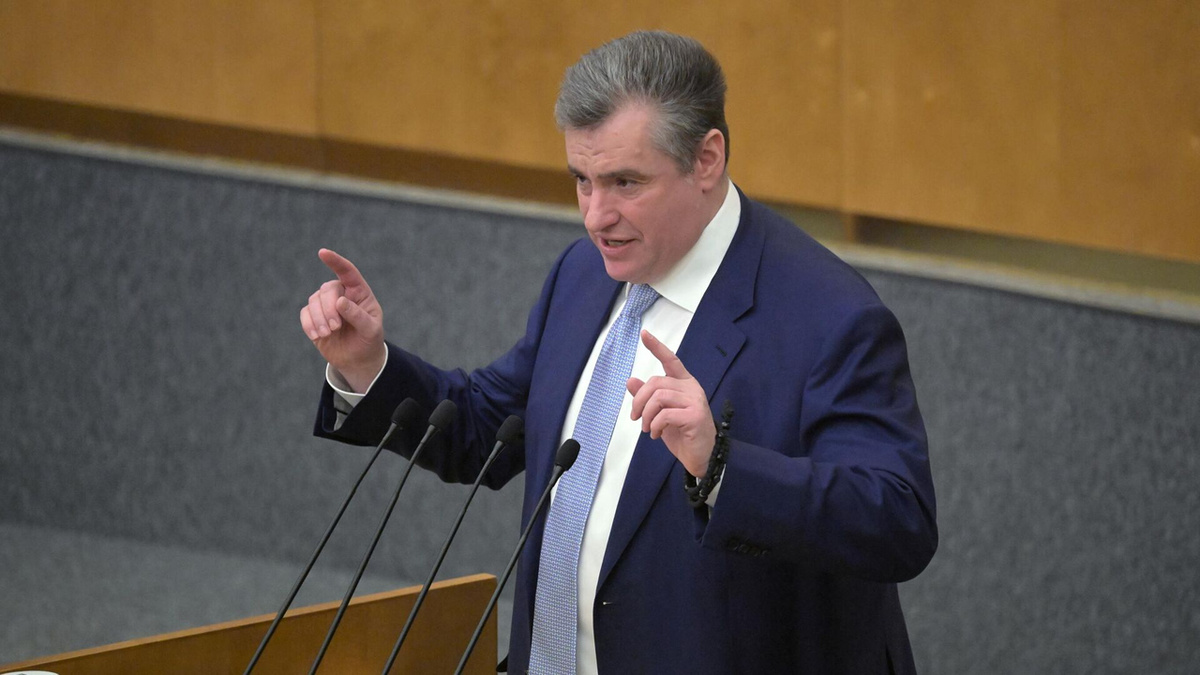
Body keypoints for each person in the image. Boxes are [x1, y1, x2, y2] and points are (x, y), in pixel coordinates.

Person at [301, 30, 936, 674]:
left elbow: (897, 522)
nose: (595, 217)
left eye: (625, 182)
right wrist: (366, 364)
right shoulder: (584, 273)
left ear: (706, 159)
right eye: (583, 181)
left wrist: (720, 467)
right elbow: (488, 428)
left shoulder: (829, 316)